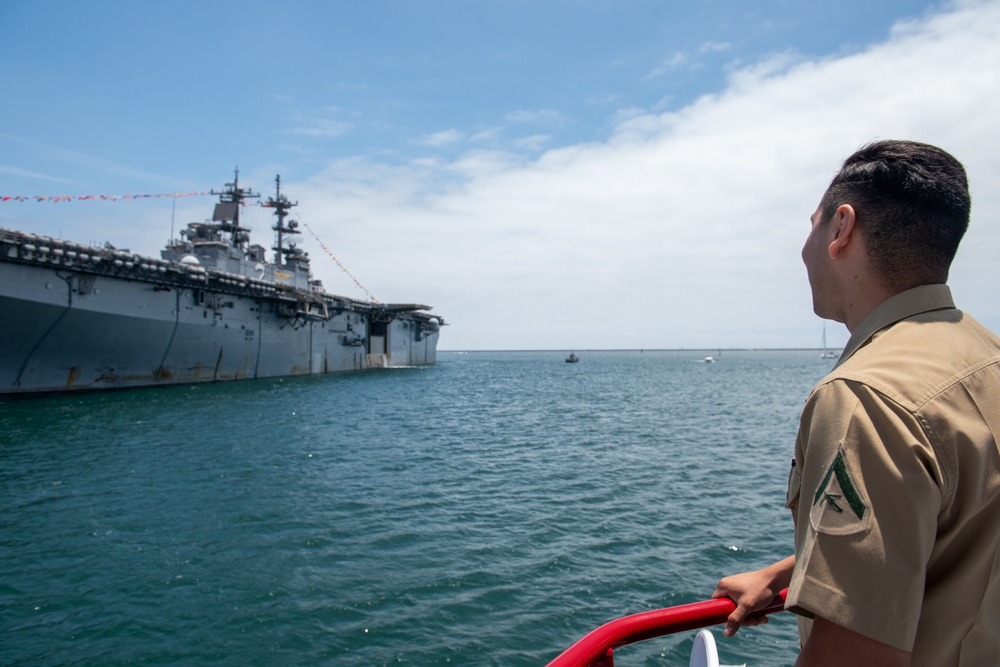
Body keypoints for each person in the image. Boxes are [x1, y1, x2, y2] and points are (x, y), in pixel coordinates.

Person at [712, 140, 1000, 666]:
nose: (804, 248)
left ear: (842, 228)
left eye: (813, 225)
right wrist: (787, 572)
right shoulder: (986, 358)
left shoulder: (865, 397)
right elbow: (949, 528)